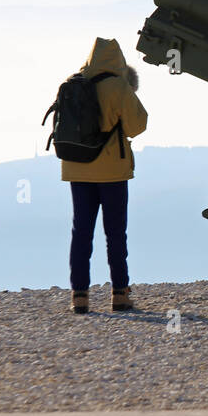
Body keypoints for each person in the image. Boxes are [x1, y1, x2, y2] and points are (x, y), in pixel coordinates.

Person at [61, 38, 148, 315]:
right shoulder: (118, 86)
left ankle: (79, 296)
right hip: (111, 171)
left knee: (81, 231)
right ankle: (119, 294)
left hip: (77, 168)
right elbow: (138, 126)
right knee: (115, 233)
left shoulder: (73, 83)